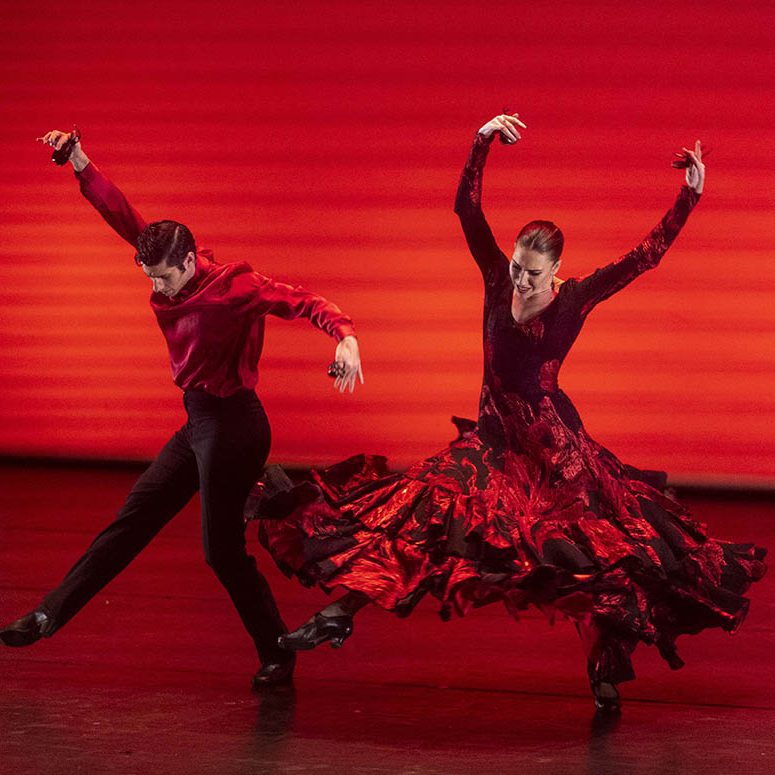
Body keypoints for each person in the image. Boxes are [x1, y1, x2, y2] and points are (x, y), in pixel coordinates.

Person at [246, 112, 766, 712]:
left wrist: (690, 196)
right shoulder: (497, 278)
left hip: (552, 455)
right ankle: (340, 612)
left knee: (583, 555)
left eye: (532, 272)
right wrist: (480, 141)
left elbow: (643, 257)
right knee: (422, 517)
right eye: (518, 265)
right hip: (491, 442)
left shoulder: (575, 298)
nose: (520, 278)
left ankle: (602, 663)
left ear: (556, 273)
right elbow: (467, 213)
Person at [0, 128, 364, 691]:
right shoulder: (161, 254)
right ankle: (49, 615)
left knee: (220, 552)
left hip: (235, 428)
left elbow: (305, 301)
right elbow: (121, 214)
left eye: (166, 278)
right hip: (197, 421)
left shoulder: (235, 288)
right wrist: (80, 162)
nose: (160, 290)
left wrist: (344, 336)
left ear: (190, 261)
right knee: (132, 519)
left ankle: (276, 651)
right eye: (150, 280)